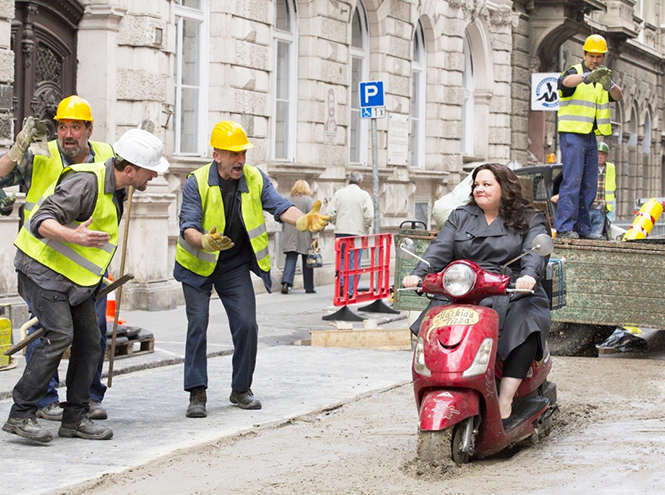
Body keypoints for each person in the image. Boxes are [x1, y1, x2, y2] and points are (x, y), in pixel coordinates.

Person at [2, 128, 169, 443]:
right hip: (42, 269)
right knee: (59, 334)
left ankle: (74, 419)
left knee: (92, 342)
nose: (153, 177)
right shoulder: (87, 181)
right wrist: (75, 236)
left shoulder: (118, 189)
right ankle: (21, 414)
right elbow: (42, 221)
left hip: (76, 279)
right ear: (130, 169)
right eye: (150, 170)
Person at [175, 120, 329, 418]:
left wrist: (302, 220)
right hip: (197, 264)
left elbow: (279, 205)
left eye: (243, 153)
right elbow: (188, 226)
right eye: (234, 154)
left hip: (233, 264)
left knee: (247, 324)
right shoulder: (196, 182)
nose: (241, 160)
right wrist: (204, 240)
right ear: (217, 154)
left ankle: (241, 389)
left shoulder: (255, 179)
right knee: (198, 324)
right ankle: (197, 392)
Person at [402, 163, 551, 424]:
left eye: (487, 184)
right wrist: (419, 272)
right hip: (464, 286)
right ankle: (441, 382)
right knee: (434, 322)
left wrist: (528, 276)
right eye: (476, 185)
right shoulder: (461, 216)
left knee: (525, 321)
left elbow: (535, 251)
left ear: (505, 188)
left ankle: (505, 399)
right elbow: (439, 248)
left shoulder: (529, 217)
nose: (479, 190)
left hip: (511, 287)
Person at [0, 96, 116, 422]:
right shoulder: (41, 154)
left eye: (75, 127)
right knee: (47, 331)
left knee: (92, 332)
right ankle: (44, 399)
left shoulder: (107, 156)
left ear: (88, 129)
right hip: (44, 264)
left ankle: (87, 399)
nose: (68, 134)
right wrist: (18, 147)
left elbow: (129, 180)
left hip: (85, 265)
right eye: (63, 126)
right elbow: (0, 174)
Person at [555, 34, 623, 239]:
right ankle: (566, 228)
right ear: (584, 54)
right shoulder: (575, 72)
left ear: (604, 57)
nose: (595, 60)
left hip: (590, 137)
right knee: (572, 181)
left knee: (589, 185)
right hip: (572, 134)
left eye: (599, 57)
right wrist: (586, 77)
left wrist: (609, 84)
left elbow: (618, 96)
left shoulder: (602, 78)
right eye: (592, 56)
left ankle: (583, 229)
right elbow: (564, 81)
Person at [328, 171, 373, 297]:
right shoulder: (364, 195)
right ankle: (350, 290)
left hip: (341, 232)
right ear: (360, 181)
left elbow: (330, 213)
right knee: (354, 262)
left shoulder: (339, 193)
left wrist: (337, 222)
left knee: (342, 259)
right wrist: (366, 225)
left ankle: (341, 285)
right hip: (357, 233)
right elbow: (369, 215)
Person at [280, 180, 316, 295]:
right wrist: (315, 236)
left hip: (290, 234)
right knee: (307, 261)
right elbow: (313, 219)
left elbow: (281, 216)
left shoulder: (287, 200)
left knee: (291, 259)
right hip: (304, 235)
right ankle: (309, 287)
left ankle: (286, 284)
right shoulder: (308, 201)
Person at [588, 141, 616, 239]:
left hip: (601, 208)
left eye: (603, 154)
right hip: (589, 207)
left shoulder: (610, 168)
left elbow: (612, 188)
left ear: (606, 156)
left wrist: (610, 208)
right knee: (585, 236)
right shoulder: (589, 166)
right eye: (598, 154)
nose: (600, 156)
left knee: (597, 237)